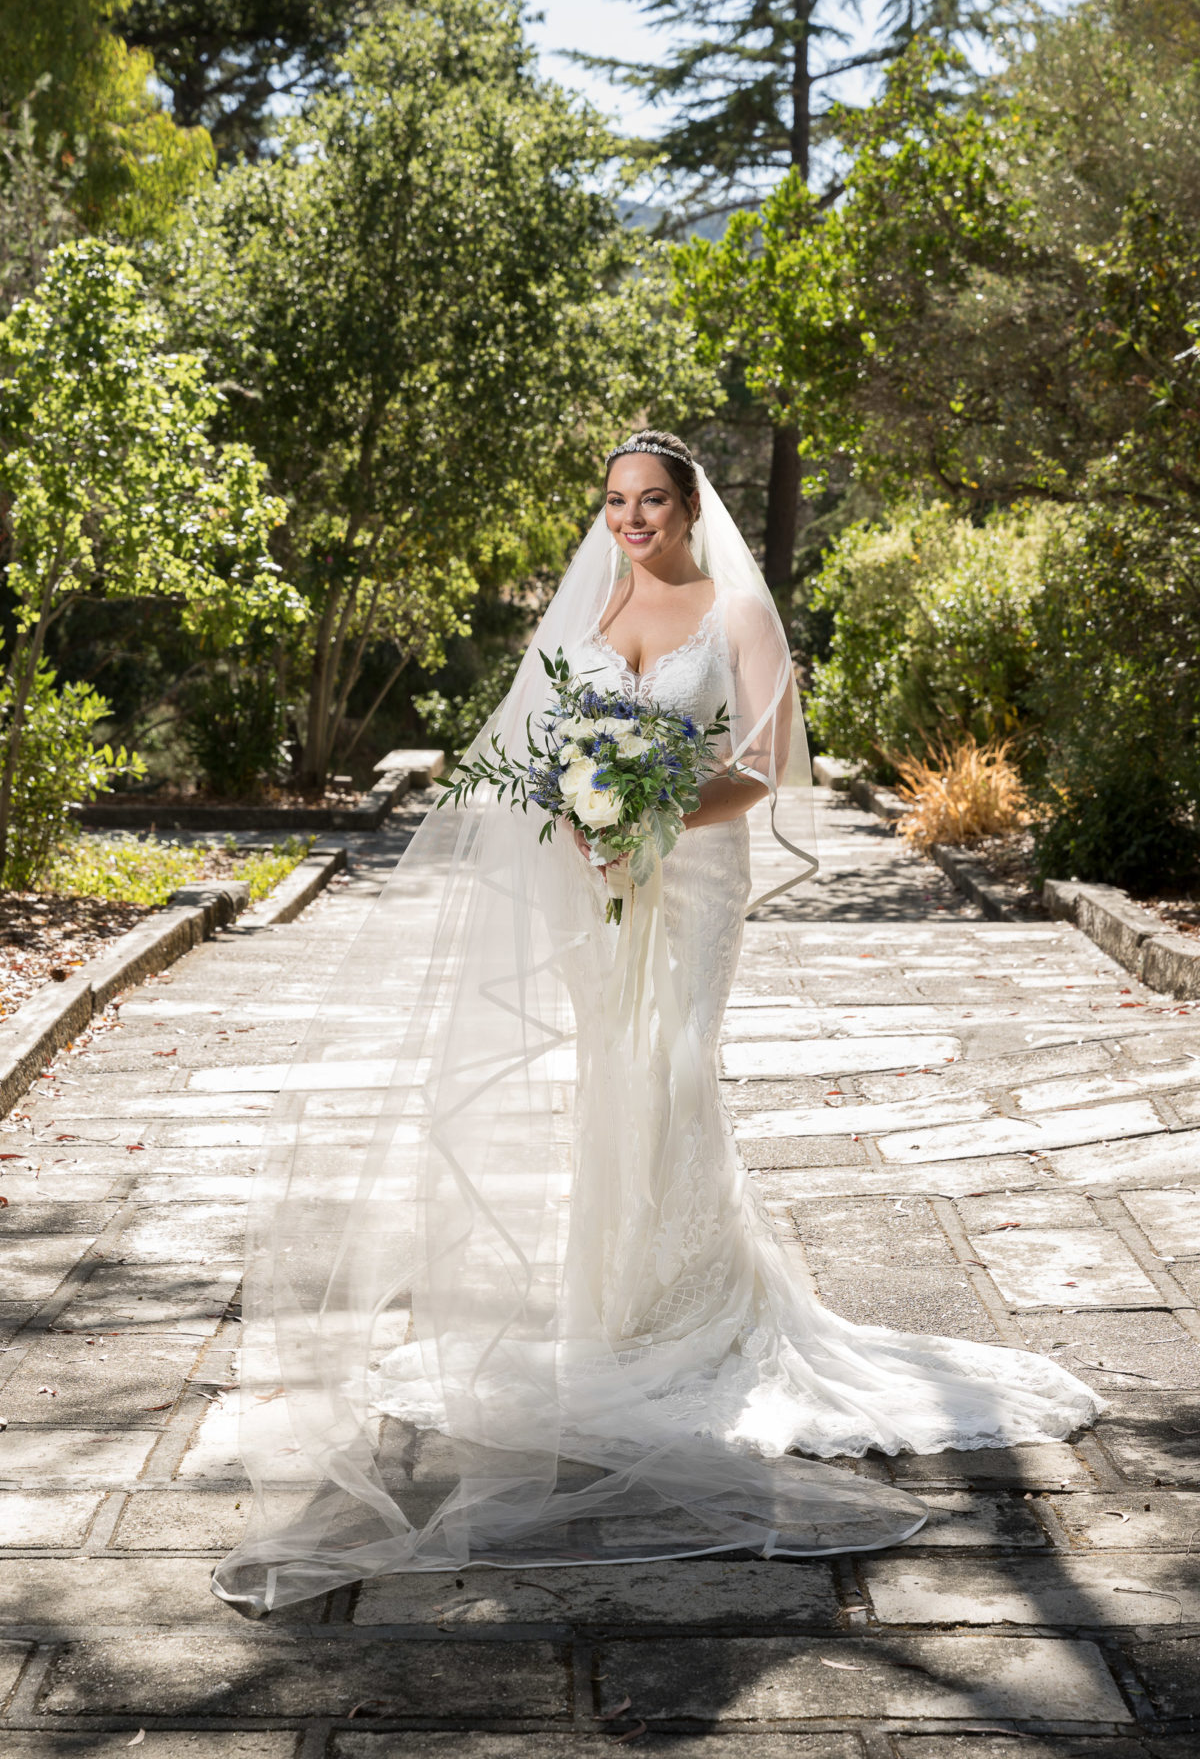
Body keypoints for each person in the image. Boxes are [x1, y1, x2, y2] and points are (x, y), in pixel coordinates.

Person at [213, 432, 1102, 1616]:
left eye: (651, 501)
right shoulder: (589, 605)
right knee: (612, 1083)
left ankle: (703, 1318)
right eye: (617, 501)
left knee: (677, 1070)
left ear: (690, 506)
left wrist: (654, 804)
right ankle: (616, 1316)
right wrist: (579, 814)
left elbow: (772, 765)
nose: (631, 519)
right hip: (594, 880)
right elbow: (537, 752)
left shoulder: (733, 606)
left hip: (692, 881)